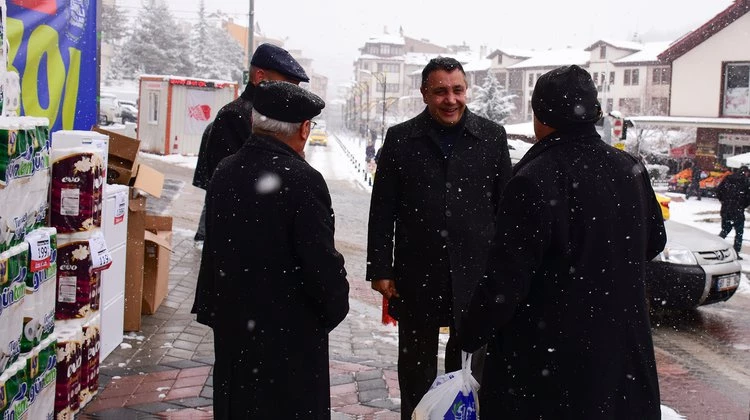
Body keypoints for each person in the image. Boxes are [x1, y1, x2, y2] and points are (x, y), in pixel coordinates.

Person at [459, 65, 667, 418]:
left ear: (540, 116)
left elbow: (506, 281)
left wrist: (468, 333)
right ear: (595, 113)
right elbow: (653, 242)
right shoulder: (628, 168)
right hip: (621, 357)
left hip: (550, 365)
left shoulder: (532, 179)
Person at [191, 81, 350, 419]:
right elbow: (321, 265)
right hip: (290, 340)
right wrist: (334, 303)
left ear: (255, 122)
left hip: (235, 332)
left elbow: (216, 251)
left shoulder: (226, 170)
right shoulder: (304, 179)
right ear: (304, 129)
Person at [366, 57, 512, 419]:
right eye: (441, 91)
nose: (451, 99)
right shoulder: (401, 139)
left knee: (466, 369)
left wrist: (503, 269)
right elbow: (383, 209)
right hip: (417, 272)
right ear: (424, 94)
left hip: (474, 273)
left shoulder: (491, 137)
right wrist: (380, 268)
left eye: (457, 90)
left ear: (466, 90)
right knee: (415, 366)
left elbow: (505, 207)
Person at [193, 43, 309, 240]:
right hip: (241, 237)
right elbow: (230, 184)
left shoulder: (271, 117)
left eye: (296, 86)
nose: (293, 91)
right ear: (260, 77)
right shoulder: (235, 115)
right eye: (288, 83)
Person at [717, 166, 750, 258]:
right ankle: (736, 252)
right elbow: (748, 198)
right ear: (746, 173)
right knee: (739, 232)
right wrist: (742, 205)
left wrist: (724, 201)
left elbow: (718, 191)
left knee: (725, 230)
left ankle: (716, 247)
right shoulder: (746, 182)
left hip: (726, 209)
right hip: (738, 211)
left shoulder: (728, 178)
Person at [191, 121, 213, 241]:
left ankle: (202, 233)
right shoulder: (217, 128)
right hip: (210, 172)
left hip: (208, 172)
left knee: (209, 202)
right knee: (209, 203)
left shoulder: (213, 126)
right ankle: (201, 234)